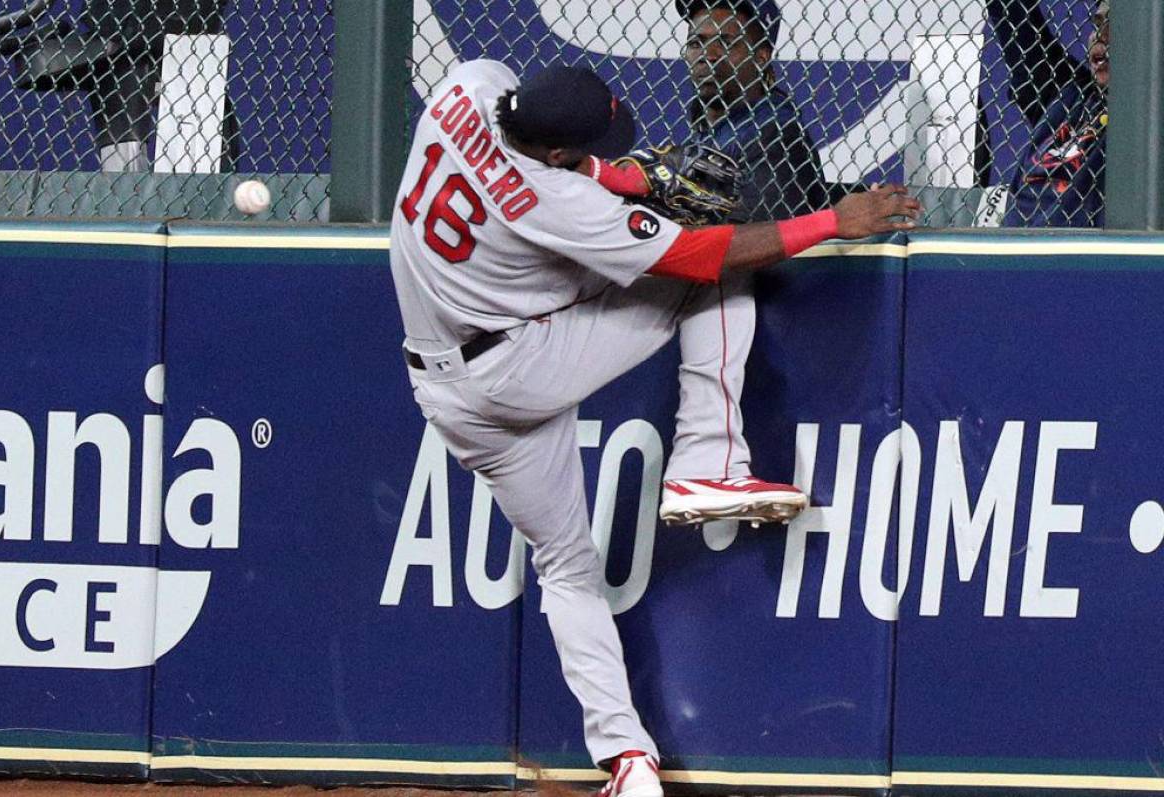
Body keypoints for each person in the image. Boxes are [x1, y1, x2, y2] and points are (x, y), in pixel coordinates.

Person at [388, 59, 918, 797]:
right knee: (714, 275)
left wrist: (626, 178)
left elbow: (554, 165)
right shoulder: (552, 199)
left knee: (566, 567)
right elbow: (699, 253)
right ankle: (707, 460)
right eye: (585, 149)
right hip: (515, 368)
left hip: (446, 380)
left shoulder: (466, 88)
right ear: (555, 154)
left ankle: (628, 763)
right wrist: (836, 219)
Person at [676, 0, 827, 222]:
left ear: (761, 57)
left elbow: (765, 243)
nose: (708, 55)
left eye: (725, 43)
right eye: (697, 43)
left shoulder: (773, 133)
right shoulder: (707, 130)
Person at [988, 0, 1108, 227]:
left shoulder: (1149, 125)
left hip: (1080, 256)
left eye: (1114, 26)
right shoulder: (1069, 94)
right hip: (1009, 251)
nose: (1100, 35)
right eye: (1098, 23)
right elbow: (1015, 18)